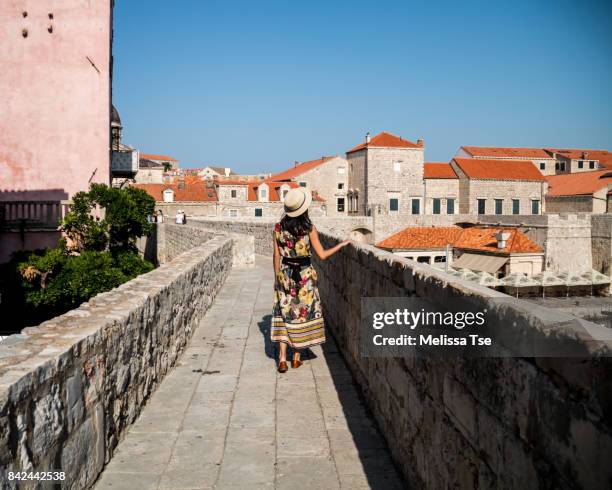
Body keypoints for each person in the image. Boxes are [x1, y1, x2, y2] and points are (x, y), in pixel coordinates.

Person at [272, 187, 350, 373]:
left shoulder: (278, 228)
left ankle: (282, 359)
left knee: (285, 313)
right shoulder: (309, 229)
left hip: (285, 275)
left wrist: (277, 278)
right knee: (302, 314)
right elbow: (322, 255)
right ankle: (296, 357)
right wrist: (340, 245)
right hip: (305, 277)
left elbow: (276, 255)